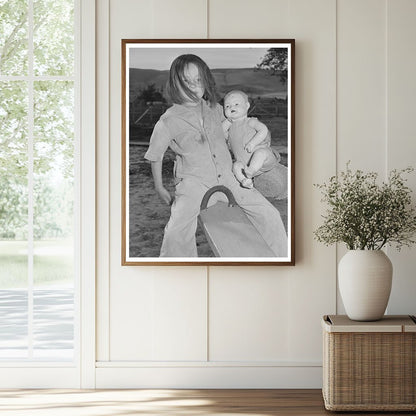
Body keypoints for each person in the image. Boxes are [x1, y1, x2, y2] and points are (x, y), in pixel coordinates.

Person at [144, 54, 287, 257]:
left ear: (206, 81)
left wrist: (259, 140)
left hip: (229, 177)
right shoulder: (168, 121)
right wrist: (159, 187)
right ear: (176, 83)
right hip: (194, 183)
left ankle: (276, 259)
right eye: (186, 81)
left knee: (269, 214)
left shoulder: (216, 109)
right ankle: (178, 272)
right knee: (176, 230)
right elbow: (155, 155)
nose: (193, 86)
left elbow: (239, 124)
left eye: (198, 80)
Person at [222, 90, 287, 198]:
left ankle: (251, 171)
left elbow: (263, 130)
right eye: (227, 106)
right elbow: (220, 131)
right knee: (236, 166)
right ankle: (245, 180)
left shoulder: (249, 121)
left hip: (262, 160)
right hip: (245, 164)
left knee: (261, 153)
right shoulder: (230, 128)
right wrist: (228, 120)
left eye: (236, 104)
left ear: (247, 106)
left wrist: (253, 143)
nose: (231, 107)